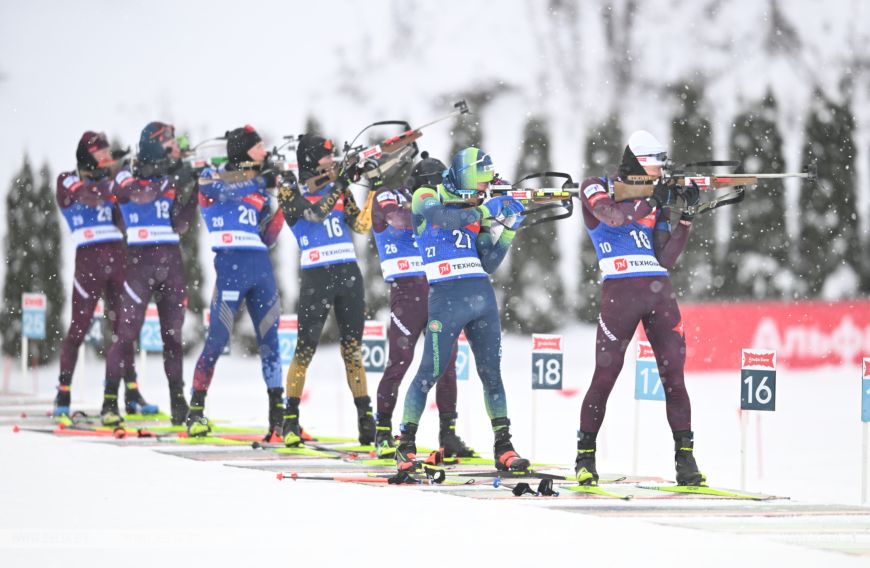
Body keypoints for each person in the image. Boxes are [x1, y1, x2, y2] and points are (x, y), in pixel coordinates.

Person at [574, 130, 704, 486]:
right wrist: (651, 200)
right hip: (620, 293)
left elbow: (666, 257)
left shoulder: (653, 199)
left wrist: (687, 217)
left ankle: (685, 459)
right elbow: (612, 216)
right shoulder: (595, 186)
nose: (662, 172)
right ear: (641, 163)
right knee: (605, 376)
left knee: (674, 377)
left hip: (659, 292)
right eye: (657, 166)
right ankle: (585, 456)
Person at [394, 146, 529, 476]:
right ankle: (405, 445)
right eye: (482, 183)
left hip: (481, 296)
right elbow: (442, 219)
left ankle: (504, 446)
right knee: (429, 372)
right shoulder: (427, 196)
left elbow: (489, 262)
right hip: (446, 297)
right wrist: (485, 210)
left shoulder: (474, 208)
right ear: (467, 179)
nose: (486, 189)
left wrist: (509, 229)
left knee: (492, 374)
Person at [371, 152, 473, 458]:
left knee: (447, 365)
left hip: (440, 290)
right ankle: (382, 432)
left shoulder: (440, 207)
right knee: (399, 362)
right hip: (407, 294)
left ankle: (448, 435)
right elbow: (398, 219)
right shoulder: (389, 196)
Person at [186, 125, 286, 437]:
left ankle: (279, 418)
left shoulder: (258, 188)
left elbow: (268, 236)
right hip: (231, 267)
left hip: (261, 268)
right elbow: (223, 191)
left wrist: (285, 203)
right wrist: (261, 180)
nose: (265, 151)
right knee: (217, 339)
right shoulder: (212, 176)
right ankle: (195, 412)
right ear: (243, 150)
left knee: (271, 342)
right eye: (258, 147)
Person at [277, 134, 375, 447]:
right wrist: (338, 184)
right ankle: (290, 419)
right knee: (304, 350)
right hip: (316, 277)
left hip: (348, 273)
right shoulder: (290, 188)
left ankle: (366, 419)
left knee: (353, 350)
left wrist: (373, 189)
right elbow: (314, 214)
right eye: (325, 156)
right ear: (310, 159)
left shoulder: (338, 186)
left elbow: (361, 226)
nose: (330, 161)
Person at [53, 131, 156, 425]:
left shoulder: (110, 182)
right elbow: (89, 197)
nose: (108, 158)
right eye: (102, 154)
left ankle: (132, 393)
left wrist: (130, 183)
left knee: (124, 329)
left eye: (109, 153)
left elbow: (124, 213)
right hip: (88, 260)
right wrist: (115, 181)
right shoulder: (67, 179)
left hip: (117, 257)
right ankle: (63, 394)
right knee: (78, 328)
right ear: (87, 157)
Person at [102, 122, 198, 425]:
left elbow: (179, 224)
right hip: (139, 264)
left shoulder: (167, 178)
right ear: (155, 144)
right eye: (169, 144)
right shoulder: (126, 173)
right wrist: (171, 179)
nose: (174, 149)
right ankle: (109, 403)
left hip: (171, 263)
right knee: (126, 335)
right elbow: (138, 195)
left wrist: (195, 190)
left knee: (173, 338)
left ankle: (178, 403)